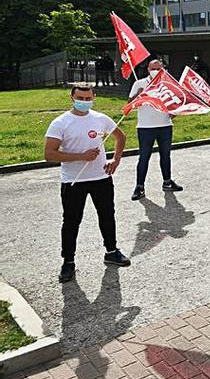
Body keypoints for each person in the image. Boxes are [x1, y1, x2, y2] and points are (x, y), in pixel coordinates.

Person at [44, 83, 131, 283]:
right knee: (72, 222)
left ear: (94, 97)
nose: (84, 102)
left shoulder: (100, 119)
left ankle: (111, 251)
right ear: (72, 97)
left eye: (88, 98)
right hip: (74, 181)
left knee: (107, 216)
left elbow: (120, 136)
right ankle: (68, 262)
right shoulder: (61, 123)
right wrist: (81, 156)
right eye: (80, 99)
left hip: (101, 178)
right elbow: (49, 154)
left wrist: (115, 160)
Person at [129, 60, 183, 201]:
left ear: (163, 69)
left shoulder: (168, 85)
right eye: (153, 68)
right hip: (145, 127)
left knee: (165, 156)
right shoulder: (139, 83)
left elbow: (177, 101)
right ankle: (139, 187)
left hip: (165, 125)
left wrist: (174, 112)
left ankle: (167, 182)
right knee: (144, 158)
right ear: (148, 69)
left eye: (159, 69)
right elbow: (130, 105)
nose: (156, 71)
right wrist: (138, 95)